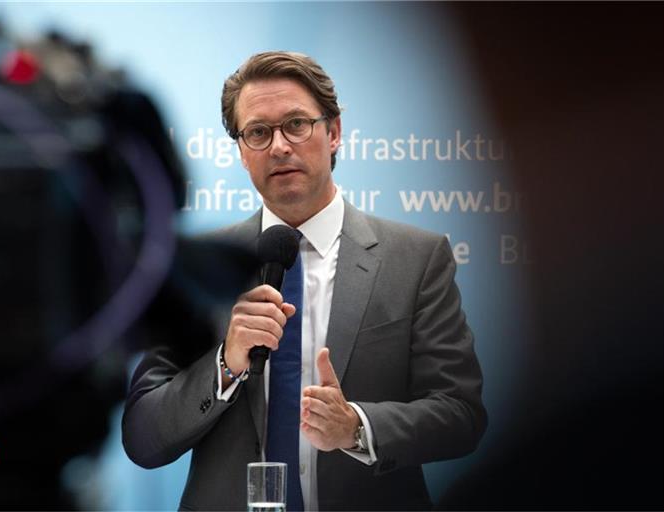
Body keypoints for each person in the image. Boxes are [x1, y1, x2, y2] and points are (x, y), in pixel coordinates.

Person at [122, 51, 487, 511]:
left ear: (333, 133)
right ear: (241, 151)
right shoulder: (200, 267)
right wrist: (225, 364)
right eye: (258, 132)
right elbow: (143, 437)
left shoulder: (416, 258)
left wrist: (356, 427)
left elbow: (460, 415)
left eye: (296, 124)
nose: (279, 147)